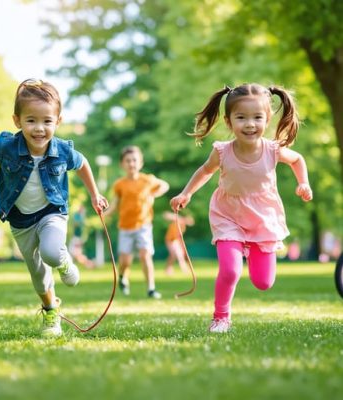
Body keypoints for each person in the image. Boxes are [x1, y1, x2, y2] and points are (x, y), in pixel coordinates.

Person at [0, 78, 108, 337]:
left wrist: (95, 194)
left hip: (52, 211)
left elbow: (82, 165)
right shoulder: (7, 146)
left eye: (47, 121)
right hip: (20, 219)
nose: (39, 128)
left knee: (51, 253)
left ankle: (63, 259)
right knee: (37, 273)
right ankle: (50, 311)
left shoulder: (62, 151)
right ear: (17, 121)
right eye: (31, 120)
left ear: (58, 121)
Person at [170, 83, 313, 333]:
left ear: (267, 119)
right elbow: (205, 171)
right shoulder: (222, 152)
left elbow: (298, 160)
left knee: (264, 282)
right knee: (230, 270)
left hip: (262, 217)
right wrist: (186, 192)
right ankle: (221, 317)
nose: (250, 124)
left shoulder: (273, 150)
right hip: (228, 215)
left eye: (257, 117)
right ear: (229, 121)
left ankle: (252, 257)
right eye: (241, 118)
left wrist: (303, 183)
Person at [104, 145, 169, 299]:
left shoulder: (148, 180)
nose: (131, 164)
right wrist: (105, 214)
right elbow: (115, 204)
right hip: (125, 227)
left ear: (140, 163)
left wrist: (154, 194)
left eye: (134, 160)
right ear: (122, 164)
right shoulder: (119, 184)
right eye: (128, 161)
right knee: (125, 261)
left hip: (144, 225)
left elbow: (165, 186)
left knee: (145, 255)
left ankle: (151, 288)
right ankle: (123, 278)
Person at [163, 211, 194, 275]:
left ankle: (168, 269)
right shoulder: (178, 220)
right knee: (176, 254)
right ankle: (183, 269)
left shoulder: (183, 227)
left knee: (176, 254)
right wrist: (179, 218)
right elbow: (166, 215)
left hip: (175, 241)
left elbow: (179, 237)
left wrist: (181, 246)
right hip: (170, 240)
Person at [68, 204, 96, 269]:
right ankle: (90, 263)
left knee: (76, 254)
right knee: (75, 254)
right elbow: (76, 224)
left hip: (77, 238)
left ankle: (90, 264)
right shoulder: (78, 216)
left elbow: (82, 228)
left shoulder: (81, 218)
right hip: (75, 237)